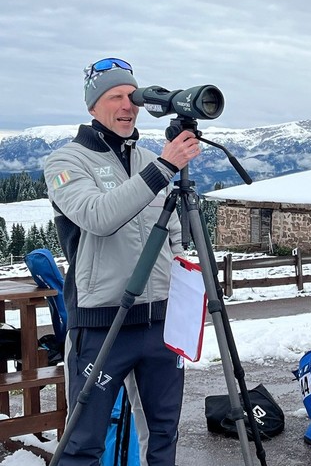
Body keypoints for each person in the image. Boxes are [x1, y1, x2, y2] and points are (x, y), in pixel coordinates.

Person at [44, 57, 202, 465]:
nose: (127, 106)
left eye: (131, 97)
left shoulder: (148, 158)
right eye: (115, 97)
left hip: (159, 323)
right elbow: (98, 216)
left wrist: (185, 268)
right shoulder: (66, 161)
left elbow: (171, 233)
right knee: (84, 442)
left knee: (164, 435)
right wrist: (166, 166)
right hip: (101, 323)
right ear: (92, 106)